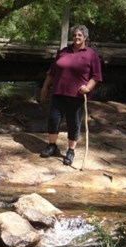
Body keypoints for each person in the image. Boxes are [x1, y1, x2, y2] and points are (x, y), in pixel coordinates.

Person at [40, 24, 102, 166]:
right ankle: (52, 146)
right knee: (53, 120)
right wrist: (44, 87)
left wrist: (88, 88)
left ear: (85, 37)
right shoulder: (63, 52)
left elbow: (96, 76)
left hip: (77, 96)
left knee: (73, 123)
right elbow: (52, 72)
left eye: (79, 35)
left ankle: (70, 151)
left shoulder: (91, 54)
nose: (76, 37)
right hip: (58, 92)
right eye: (74, 35)